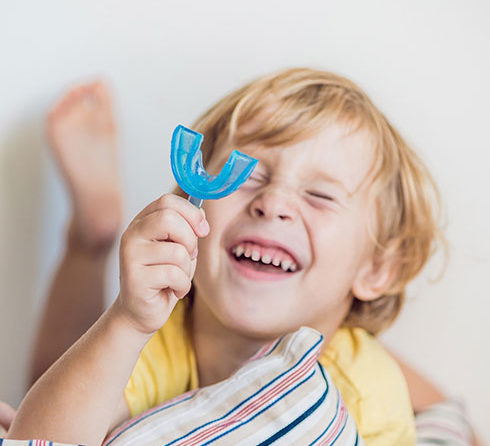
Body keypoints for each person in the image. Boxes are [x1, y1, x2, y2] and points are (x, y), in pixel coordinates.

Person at [4, 71, 479, 445]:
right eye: (246, 175)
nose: (272, 203)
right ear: (194, 208)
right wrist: (126, 322)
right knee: (57, 380)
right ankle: (92, 237)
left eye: (319, 195)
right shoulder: (151, 338)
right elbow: (41, 438)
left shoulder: (367, 391)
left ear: (376, 269)